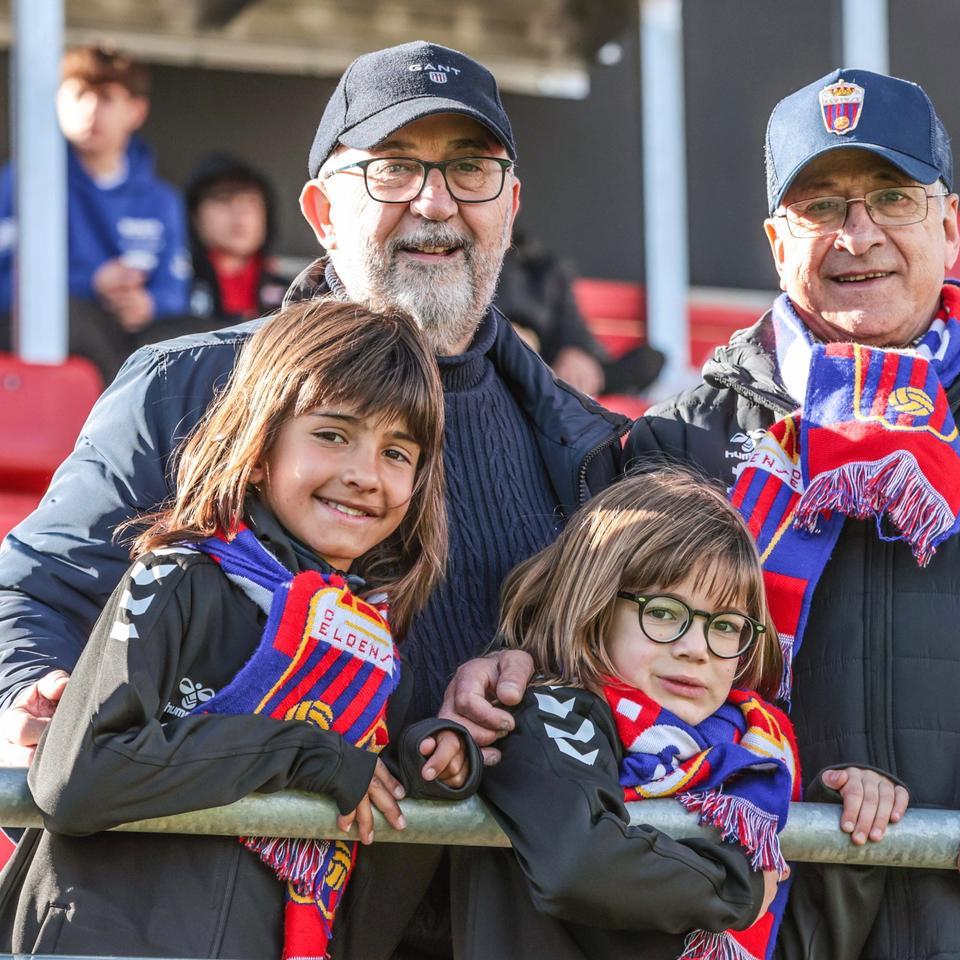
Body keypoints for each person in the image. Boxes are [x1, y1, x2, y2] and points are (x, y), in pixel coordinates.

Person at [450, 69, 960, 959]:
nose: (859, 234)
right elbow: (589, 657)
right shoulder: (677, 448)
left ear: (950, 226)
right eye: (820, 206)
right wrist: (514, 662)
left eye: (893, 197)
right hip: (764, 929)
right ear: (776, 241)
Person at [0, 39, 625, 955]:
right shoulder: (184, 386)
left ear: (511, 205)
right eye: (395, 168)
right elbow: (37, 589)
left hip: (491, 922)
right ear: (324, 211)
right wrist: (27, 688)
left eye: (470, 169)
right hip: (224, 916)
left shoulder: (590, 449)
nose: (436, 202)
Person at [0, 299, 480, 959]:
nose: (365, 474)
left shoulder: (370, 652)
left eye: (397, 451)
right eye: (333, 434)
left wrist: (430, 766)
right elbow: (78, 778)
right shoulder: (176, 577)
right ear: (258, 449)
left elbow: (365, 846)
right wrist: (298, 752)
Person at [457, 469, 908, 960]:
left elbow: (805, 948)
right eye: (665, 613)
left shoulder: (754, 757)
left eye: (726, 625)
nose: (697, 650)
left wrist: (844, 835)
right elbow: (580, 865)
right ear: (596, 606)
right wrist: (736, 889)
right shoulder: (547, 712)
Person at [0, 45, 190, 382]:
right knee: (68, 317)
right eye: (79, 94)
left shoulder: (162, 200)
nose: (89, 110)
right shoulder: (23, 182)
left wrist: (147, 304)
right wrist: (91, 283)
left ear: (136, 111)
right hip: (53, 346)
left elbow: (176, 293)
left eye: (105, 98)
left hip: (135, 339)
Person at [496, 227, 665, 395]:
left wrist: (576, 352)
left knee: (647, 363)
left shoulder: (545, 268)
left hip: (551, 363)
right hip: (495, 355)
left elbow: (570, 322)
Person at [184, 153, 288, 324]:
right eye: (223, 199)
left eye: (251, 201)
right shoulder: (171, 289)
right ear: (194, 215)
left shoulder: (297, 293)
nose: (240, 212)